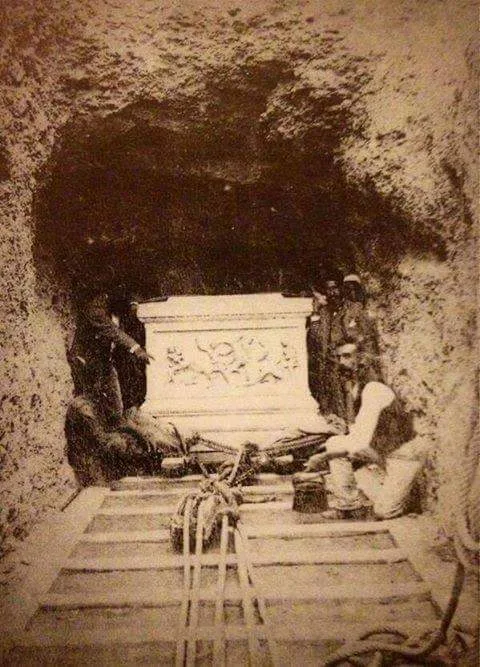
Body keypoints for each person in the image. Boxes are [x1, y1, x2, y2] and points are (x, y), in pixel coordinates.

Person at [304, 340, 428, 519]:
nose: (342, 362)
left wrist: (321, 457)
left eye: (347, 356)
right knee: (334, 443)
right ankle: (349, 506)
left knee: (383, 511)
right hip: (383, 452)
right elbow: (360, 432)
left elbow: (361, 442)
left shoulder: (374, 389)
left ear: (362, 359)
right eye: (339, 357)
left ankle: (406, 494)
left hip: (404, 456)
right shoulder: (357, 389)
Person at [67, 289, 151, 429]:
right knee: (93, 402)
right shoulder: (95, 311)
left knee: (114, 405)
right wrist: (136, 349)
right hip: (86, 361)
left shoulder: (115, 312)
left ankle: (113, 426)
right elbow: (112, 331)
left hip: (104, 361)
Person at [112, 294, 147, 417]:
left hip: (134, 351)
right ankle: (130, 406)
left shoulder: (134, 319)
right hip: (127, 352)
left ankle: (133, 405)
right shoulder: (125, 319)